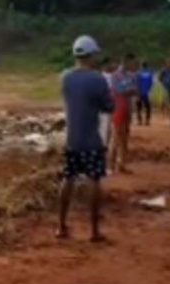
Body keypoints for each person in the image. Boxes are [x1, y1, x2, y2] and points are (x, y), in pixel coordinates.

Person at [57, 35, 114, 242]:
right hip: (91, 139)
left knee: (68, 178)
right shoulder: (97, 79)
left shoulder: (65, 77)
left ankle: (61, 226)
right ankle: (94, 231)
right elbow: (109, 106)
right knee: (94, 180)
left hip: (72, 139)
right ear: (90, 55)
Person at [108, 53, 138, 174]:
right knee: (116, 137)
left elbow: (134, 90)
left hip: (127, 108)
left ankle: (121, 164)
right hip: (118, 108)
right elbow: (120, 90)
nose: (133, 66)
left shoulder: (130, 75)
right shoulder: (115, 75)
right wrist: (129, 90)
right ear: (125, 61)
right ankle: (111, 164)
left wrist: (129, 90)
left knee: (125, 136)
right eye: (132, 63)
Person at [136, 61, 154, 126]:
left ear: (141, 66)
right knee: (148, 107)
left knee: (139, 107)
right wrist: (150, 91)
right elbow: (151, 83)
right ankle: (147, 120)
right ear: (147, 66)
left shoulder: (138, 73)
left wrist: (137, 93)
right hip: (147, 93)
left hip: (140, 92)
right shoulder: (150, 73)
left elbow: (137, 84)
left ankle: (139, 120)